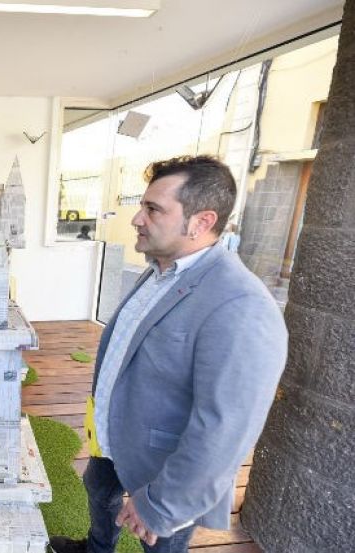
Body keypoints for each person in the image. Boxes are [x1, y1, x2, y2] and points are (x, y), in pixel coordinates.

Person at [49, 156, 287, 553]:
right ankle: (96, 548)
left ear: (201, 222)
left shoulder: (242, 304)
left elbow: (225, 428)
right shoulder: (163, 268)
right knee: (98, 489)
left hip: (166, 469)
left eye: (153, 209)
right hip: (112, 438)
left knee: (160, 544)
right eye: (143, 205)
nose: (137, 219)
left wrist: (163, 504)